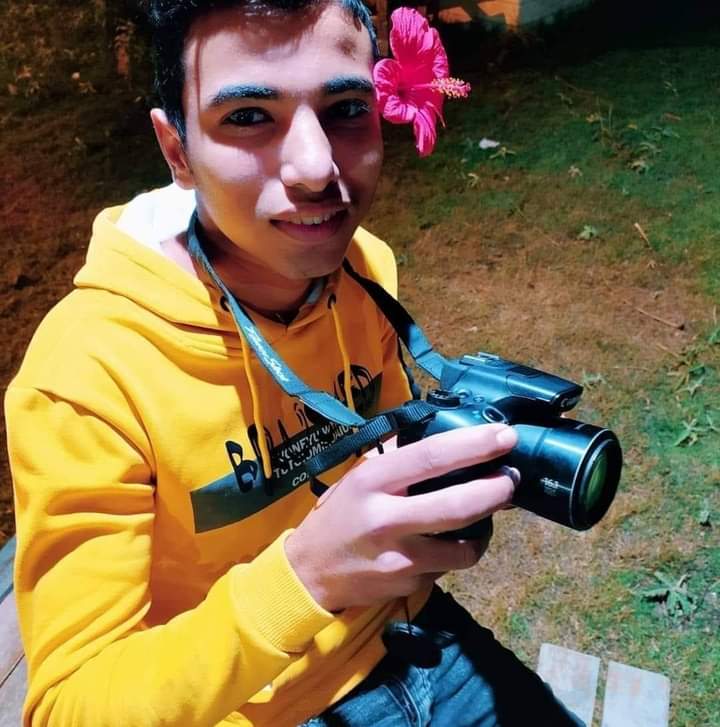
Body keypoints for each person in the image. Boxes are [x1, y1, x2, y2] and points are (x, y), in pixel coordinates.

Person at [5, 1, 584, 725]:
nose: (316, 168)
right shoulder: (85, 377)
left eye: (346, 109)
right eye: (249, 116)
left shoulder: (364, 266)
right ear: (176, 150)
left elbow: (377, 440)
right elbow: (70, 706)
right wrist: (305, 577)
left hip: (414, 636)